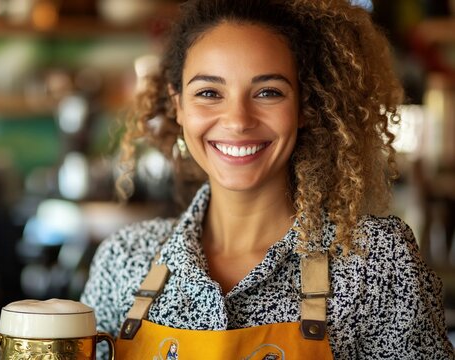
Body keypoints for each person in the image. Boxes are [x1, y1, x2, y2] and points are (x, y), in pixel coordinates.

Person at [80, 0, 455, 359]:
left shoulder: (375, 262)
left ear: (306, 107)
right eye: (209, 93)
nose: (238, 120)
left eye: (268, 92)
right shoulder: (123, 258)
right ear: (178, 106)